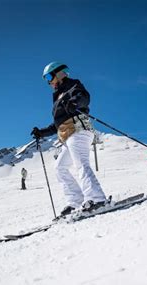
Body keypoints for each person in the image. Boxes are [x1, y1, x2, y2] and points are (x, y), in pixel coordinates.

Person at [31, 62, 106, 217]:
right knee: (60, 168)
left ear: (59, 74)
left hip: (79, 130)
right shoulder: (58, 96)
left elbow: (84, 97)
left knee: (81, 164)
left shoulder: (73, 85)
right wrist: (42, 132)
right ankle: (76, 201)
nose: (48, 82)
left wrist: (75, 102)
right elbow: (58, 123)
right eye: (46, 78)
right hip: (68, 135)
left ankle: (97, 199)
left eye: (49, 77)